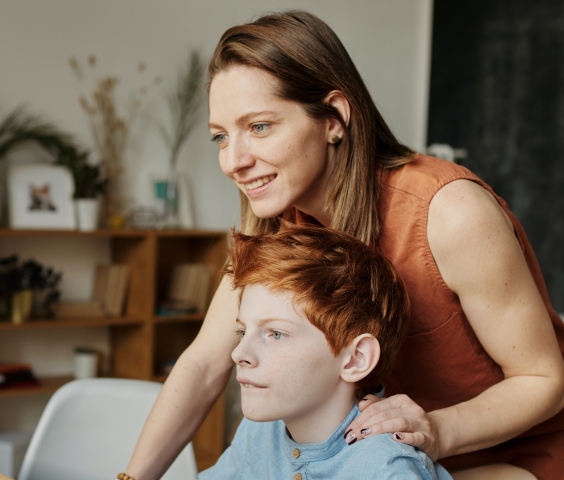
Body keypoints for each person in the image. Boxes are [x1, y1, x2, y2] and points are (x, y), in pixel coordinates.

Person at [122, 10, 564, 480]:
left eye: (259, 127)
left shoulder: (449, 213)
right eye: (220, 136)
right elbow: (205, 363)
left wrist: (435, 430)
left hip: (504, 461)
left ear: (334, 117)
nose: (233, 160)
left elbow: (545, 380)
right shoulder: (275, 225)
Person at [198, 223, 452, 479]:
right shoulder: (260, 430)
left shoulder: (387, 469)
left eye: (276, 334)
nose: (239, 353)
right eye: (243, 333)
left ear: (356, 359)